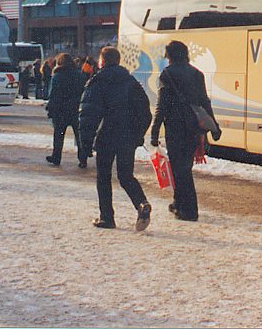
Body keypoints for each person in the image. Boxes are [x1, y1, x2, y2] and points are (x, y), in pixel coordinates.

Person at [78, 46, 152, 231]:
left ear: (102, 61)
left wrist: (85, 143)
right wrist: (138, 135)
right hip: (127, 137)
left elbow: (89, 115)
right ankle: (142, 203)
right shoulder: (130, 81)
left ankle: (107, 217)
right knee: (125, 176)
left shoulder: (98, 81)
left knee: (103, 177)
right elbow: (145, 112)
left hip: (106, 137)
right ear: (118, 61)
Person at [150, 40, 214, 222]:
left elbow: (161, 106)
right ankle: (178, 204)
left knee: (181, 170)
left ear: (169, 56)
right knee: (183, 167)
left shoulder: (167, 75)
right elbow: (204, 101)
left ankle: (189, 211)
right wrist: (213, 125)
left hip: (175, 128)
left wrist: (154, 132)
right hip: (194, 128)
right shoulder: (196, 74)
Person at [45, 53, 88, 168]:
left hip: (60, 110)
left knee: (59, 135)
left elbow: (53, 94)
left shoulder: (57, 76)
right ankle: (82, 159)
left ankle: (56, 157)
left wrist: (50, 108)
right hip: (76, 109)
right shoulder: (79, 75)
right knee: (79, 136)